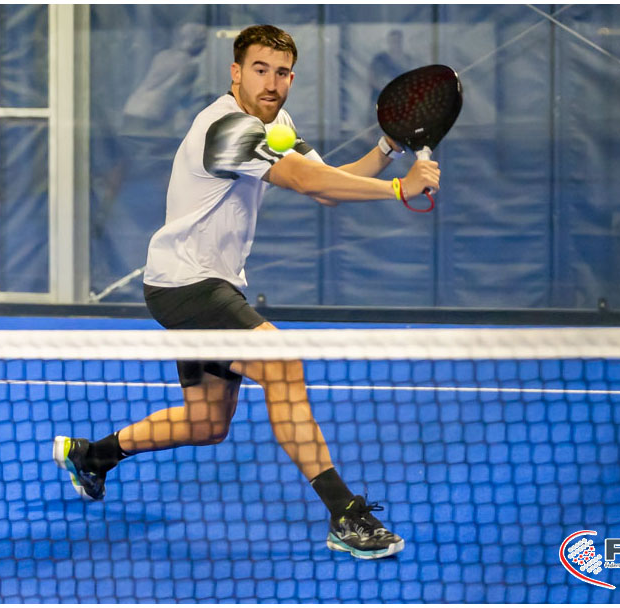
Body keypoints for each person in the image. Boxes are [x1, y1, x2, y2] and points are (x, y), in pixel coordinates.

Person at [55, 24, 439, 560]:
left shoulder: (276, 123)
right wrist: (400, 188)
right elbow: (305, 182)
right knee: (282, 363)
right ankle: (345, 514)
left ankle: (93, 456)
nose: (272, 82)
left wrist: (385, 150)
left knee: (207, 423)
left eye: (282, 73)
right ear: (236, 73)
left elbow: (327, 184)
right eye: (260, 70)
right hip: (187, 284)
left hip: (203, 284)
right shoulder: (227, 128)